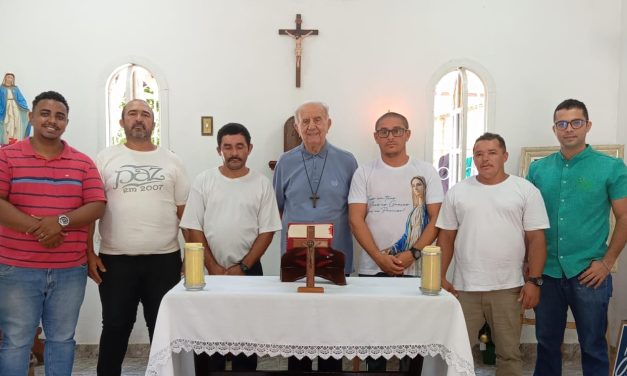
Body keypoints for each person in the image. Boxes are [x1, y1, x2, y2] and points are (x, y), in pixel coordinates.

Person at [0, 91, 106, 375]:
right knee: (16, 341)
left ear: (66, 123)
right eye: (45, 113)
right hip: (17, 269)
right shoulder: (7, 156)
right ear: (31, 117)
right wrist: (41, 229)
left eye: (60, 116)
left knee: (61, 340)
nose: (52, 120)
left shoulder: (82, 163)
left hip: (69, 270)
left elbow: (97, 205)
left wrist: (58, 221)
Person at [88, 99, 190, 376]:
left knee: (163, 328)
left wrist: (192, 257)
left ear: (153, 123)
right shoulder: (105, 158)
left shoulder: (172, 161)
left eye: (145, 114)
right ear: (122, 122)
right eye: (132, 113)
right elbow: (91, 208)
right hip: (115, 261)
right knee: (115, 326)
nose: (139, 118)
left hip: (164, 261)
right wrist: (89, 254)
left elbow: (186, 214)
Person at [527, 99, 627, 375]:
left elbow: (625, 217)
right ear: (554, 128)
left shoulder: (611, 167)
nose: (568, 129)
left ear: (587, 126)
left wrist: (606, 263)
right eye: (562, 123)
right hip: (546, 273)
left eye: (576, 122)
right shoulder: (538, 170)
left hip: (589, 273)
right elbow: (528, 222)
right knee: (546, 344)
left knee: (593, 345)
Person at [436, 132, 549, 376]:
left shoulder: (525, 190)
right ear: (474, 159)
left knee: (509, 354)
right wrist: (440, 276)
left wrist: (534, 281)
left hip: (508, 287)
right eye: (479, 154)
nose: (485, 159)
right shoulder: (458, 192)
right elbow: (445, 237)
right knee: (455, 353)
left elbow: (536, 239)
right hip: (464, 288)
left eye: (492, 153)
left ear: (505, 156)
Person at [180, 123, 282, 373]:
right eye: (228, 147)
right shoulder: (204, 181)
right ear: (219, 150)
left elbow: (267, 231)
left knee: (246, 338)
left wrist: (244, 266)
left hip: (249, 272)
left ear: (250, 149)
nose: (234, 152)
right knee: (209, 337)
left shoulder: (260, 184)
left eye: (239, 146)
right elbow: (194, 228)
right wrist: (213, 266)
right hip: (210, 273)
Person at [348, 111, 443, 372]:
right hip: (372, 268)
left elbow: (436, 217)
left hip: (415, 269)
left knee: (413, 339)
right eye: (384, 132)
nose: (391, 136)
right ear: (376, 137)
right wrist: (380, 258)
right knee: (375, 339)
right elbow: (356, 219)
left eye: (397, 130)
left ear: (408, 134)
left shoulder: (426, 171)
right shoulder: (364, 172)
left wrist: (412, 253)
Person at [273, 101, 357, 371]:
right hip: (295, 261)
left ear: (328, 124)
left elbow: (354, 209)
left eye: (317, 120)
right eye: (305, 121)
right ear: (297, 127)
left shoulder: (347, 161)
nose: (312, 126)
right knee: (297, 337)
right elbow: (277, 207)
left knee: (332, 337)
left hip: (335, 259)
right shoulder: (285, 162)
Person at [0, 73, 30, 145]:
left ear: (13, 79)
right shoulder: (1, 88)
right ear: (5, 78)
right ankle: (8, 139)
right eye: (8, 77)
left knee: (16, 121)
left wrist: (25, 108)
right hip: (5, 107)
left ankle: (15, 139)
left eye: (11, 78)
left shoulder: (15, 88)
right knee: (8, 122)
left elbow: (21, 98)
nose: (10, 79)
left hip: (15, 107)